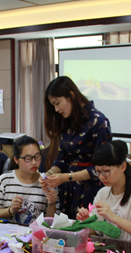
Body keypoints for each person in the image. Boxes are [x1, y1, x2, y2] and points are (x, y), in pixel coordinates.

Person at [41, 76, 112, 219]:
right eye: (53, 105)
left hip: (92, 190)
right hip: (68, 190)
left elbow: (102, 168)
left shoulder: (99, 122)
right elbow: (61, 160)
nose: (56, 109)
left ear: (71, 96)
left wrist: (66, 177)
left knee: (88, 231)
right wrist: (48, 175)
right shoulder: (67, 123)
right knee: (68, 232)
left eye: (57, 103)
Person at [77, 142, 131, 244]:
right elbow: (96, 232)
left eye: (106, 171)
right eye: (97, 171)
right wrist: (86, 222)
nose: (102, 176)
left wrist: (114, 217)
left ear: (123, 167)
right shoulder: (103, 193)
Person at [0, 136, 57, 224]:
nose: (34, 162)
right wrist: (11, 210)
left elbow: (51, 224)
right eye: (28, 159)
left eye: (37, 157)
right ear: (16, 159)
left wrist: (52, 204)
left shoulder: (47, 183)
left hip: (36, 236)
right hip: (8, 235)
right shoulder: (4, 180)